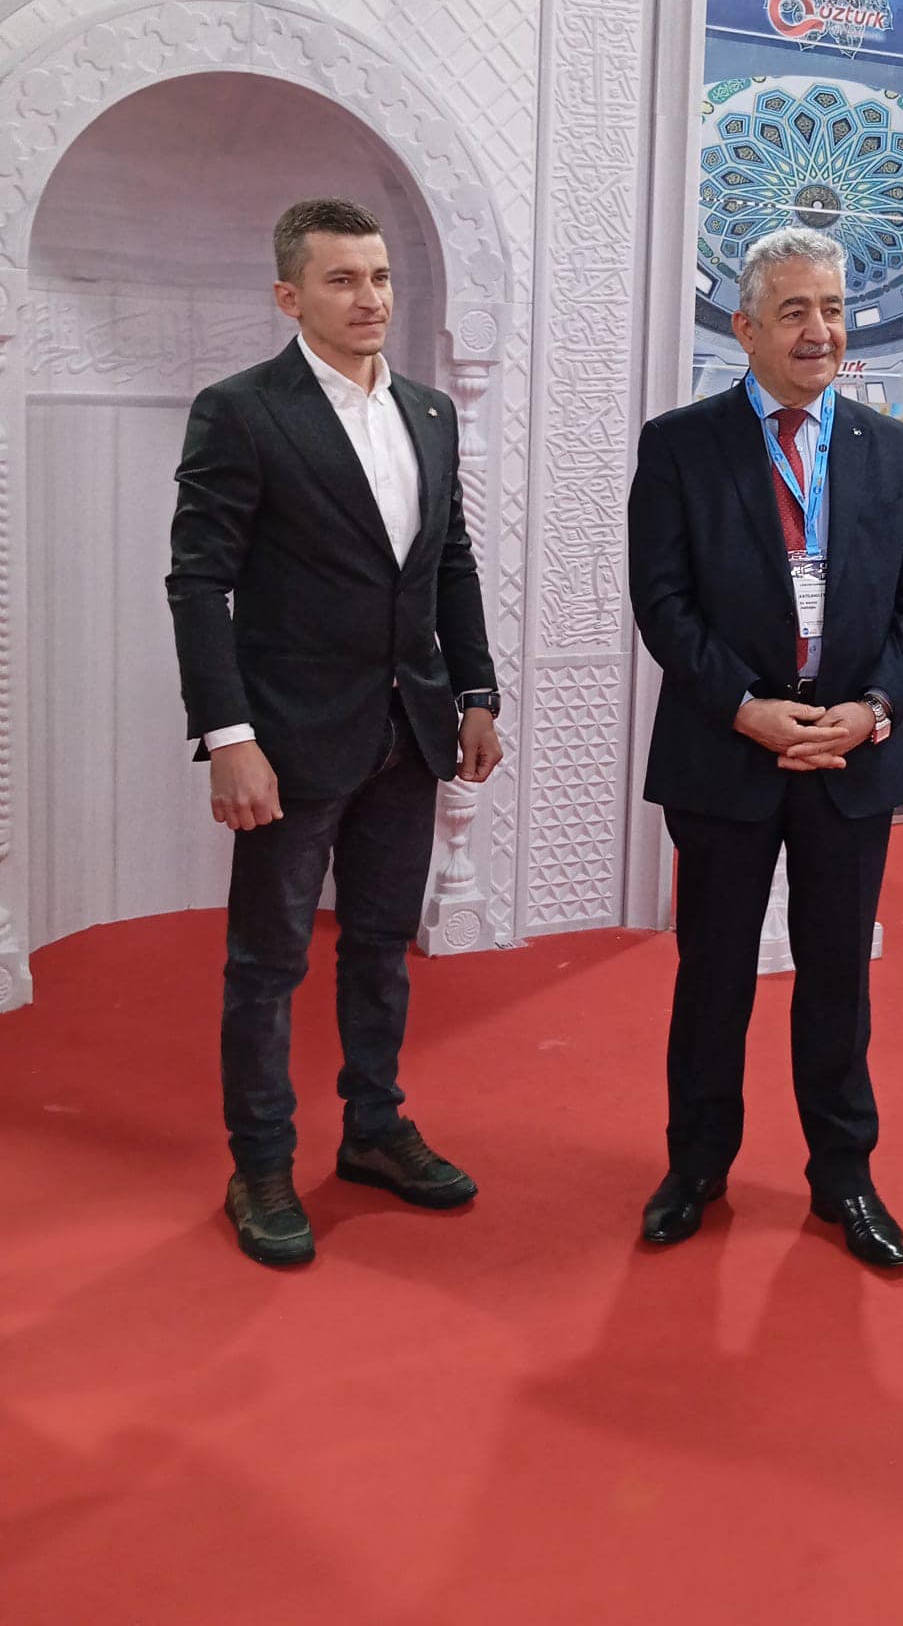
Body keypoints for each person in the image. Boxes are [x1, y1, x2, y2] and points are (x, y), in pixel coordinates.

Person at [166, 198, 502, 1268]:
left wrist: (478, 693)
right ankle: (261, 1163)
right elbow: (198, 583)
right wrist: (229, 735)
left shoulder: (431, 412)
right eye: (343, 280)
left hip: (412, 727)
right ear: (290, 295)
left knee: (380, 946)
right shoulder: (241, 412)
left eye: (381, 277)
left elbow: (450, 563)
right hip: (288, 738)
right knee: (267, 965)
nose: (370, 299)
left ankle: (373, 1127)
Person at [626, 226, 903, 1268]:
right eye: (796, 311)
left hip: (852, 753)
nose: (822, 331)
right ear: (746, 327)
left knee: (838, 979)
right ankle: (696, 1166)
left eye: (834, 310)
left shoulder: (890, 449)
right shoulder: (681, 445)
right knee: (713, 974)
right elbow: (663, 604)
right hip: (728, 753)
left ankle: (844, 1176)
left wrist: (874, 708)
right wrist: (744, 708)